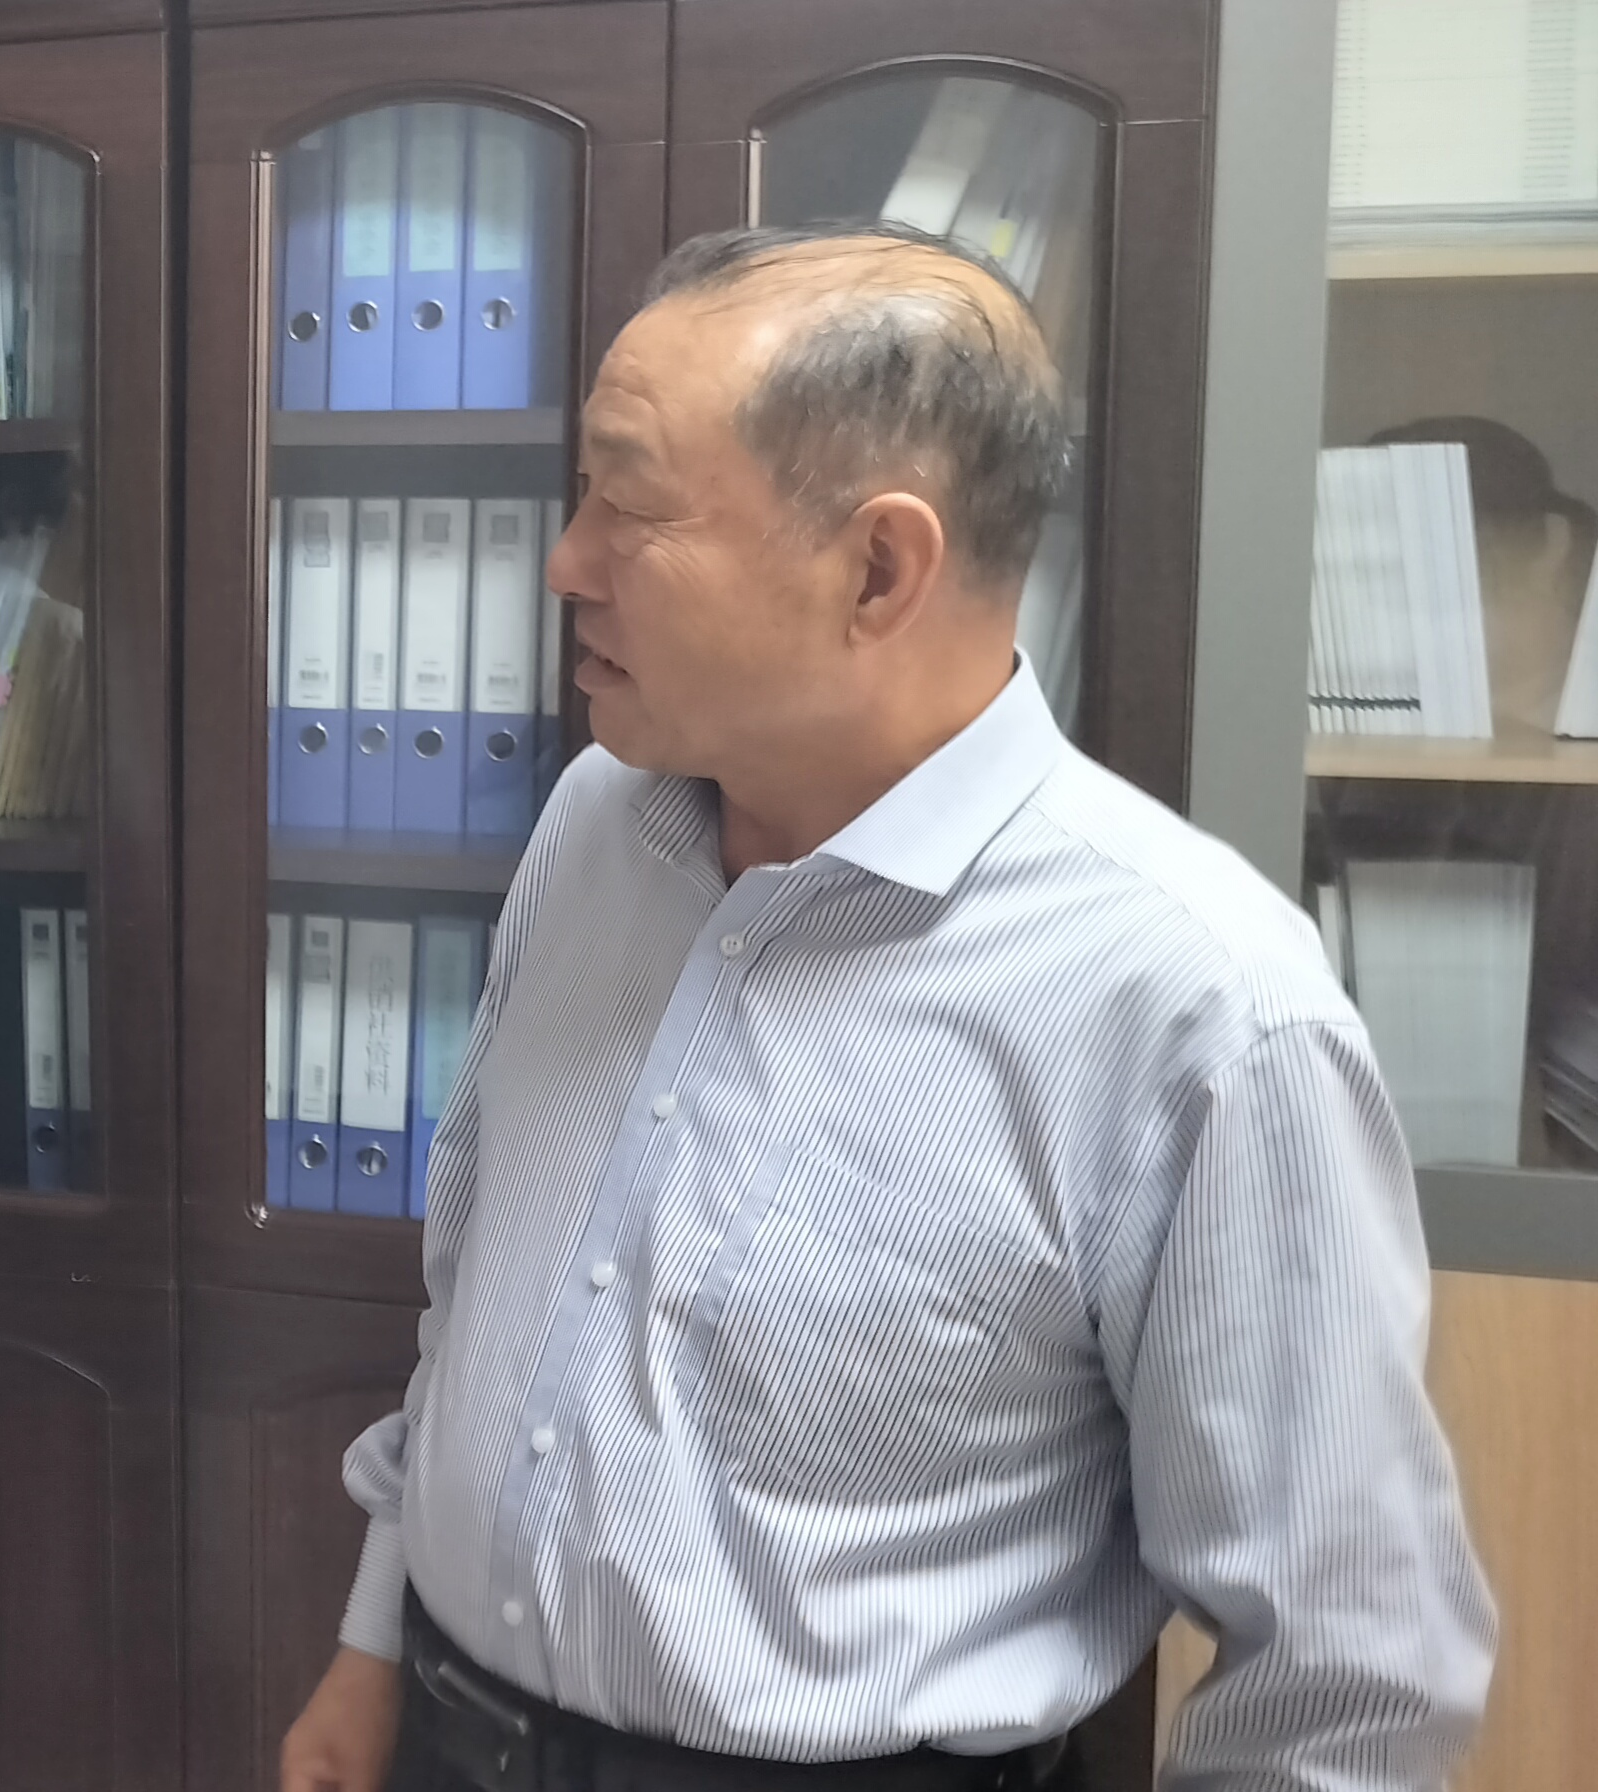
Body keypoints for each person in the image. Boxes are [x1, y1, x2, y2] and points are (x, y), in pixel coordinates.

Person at [279, 225, 1494, 1792]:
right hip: (454, 1735)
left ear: (878, 570)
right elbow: (479, 1302)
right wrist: (375, 1647)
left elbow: (1348, 1677)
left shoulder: (1199, 1009)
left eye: (628, 505)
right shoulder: (597, 825)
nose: (566, 561)